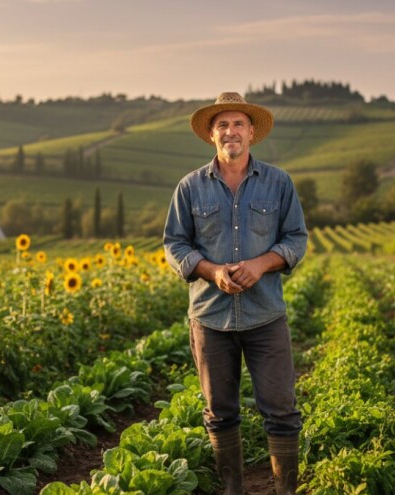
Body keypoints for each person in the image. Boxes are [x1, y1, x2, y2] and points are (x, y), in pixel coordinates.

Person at [163, 92, 308, 495]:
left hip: (266, 317)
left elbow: (297, 238)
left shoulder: (279, 183)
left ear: (251, 133)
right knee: (220, 412)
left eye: (238, 124)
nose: (231, 131)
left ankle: (285, 490)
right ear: (212, 135)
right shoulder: (190, 187)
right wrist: (210, 271)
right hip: (211, 318)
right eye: (222, 125)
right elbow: (174, 244)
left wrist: (261, 264)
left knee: (281, 411)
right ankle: (233, 489)